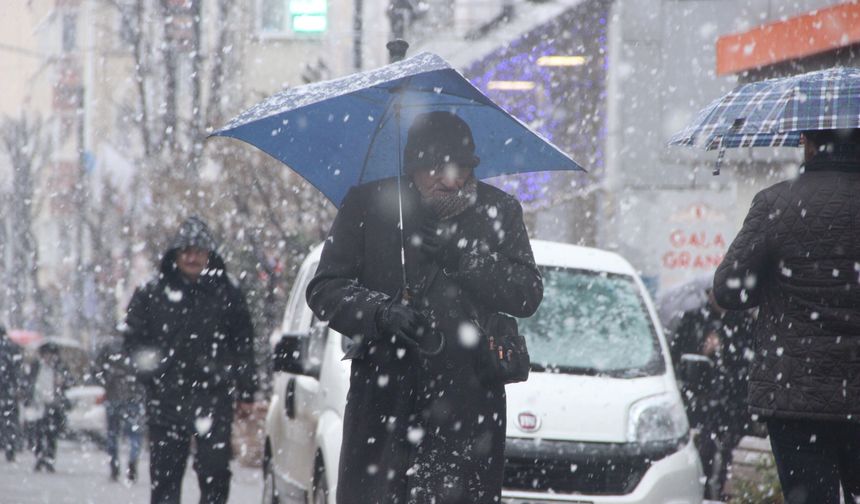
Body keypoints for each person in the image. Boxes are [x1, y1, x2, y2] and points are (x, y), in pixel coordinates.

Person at [306, 110, 544, 504]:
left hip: (469, 405)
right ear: (413, 167)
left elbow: (526, 292)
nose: (449, 179)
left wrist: (464, 258)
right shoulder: (368, 205)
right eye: (435, 168)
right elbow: (325, 290)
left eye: (459, 168)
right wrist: (381, 312)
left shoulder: (499, 211)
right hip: (384, 401)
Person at [714, 128, 860, 504]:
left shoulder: (776, 203)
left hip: (795, 393)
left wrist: (776, 284)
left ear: (809, 144)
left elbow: (728, 288)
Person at [124, 217, 257, 504]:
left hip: (213, 397)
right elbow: (133, 341)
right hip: (166, 399)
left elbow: (243, 344)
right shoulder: (152, 292)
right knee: (165, 479)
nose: (192, 257)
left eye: (198, 250)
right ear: (175, 254)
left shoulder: (227, 293)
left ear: (209, 254)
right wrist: (153, 375)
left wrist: (246, 391)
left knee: (216, 474)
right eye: (185, 251)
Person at [670, 290, 754, 500]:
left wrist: (724, 343)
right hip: (700, 401)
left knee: (728, 452)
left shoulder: (743, 322)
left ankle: (721, 490)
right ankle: (703, 490)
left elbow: (748, 360)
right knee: (703, 449)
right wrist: (702, 351)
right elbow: (679, 357)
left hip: (734, 402)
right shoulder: (693, 319)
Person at [94, 336, 145, 482]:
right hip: (133, 397)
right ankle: (132, 462)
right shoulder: (138, 346)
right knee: (134, 433)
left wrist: (106, 380)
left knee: (112, 434)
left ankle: (114, 467)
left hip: (114, 396)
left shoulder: (109, 349)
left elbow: (98, 370)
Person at [27, 342, 72, 472]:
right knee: (38, 434)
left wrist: (63, 382)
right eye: (46, 354)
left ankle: (49, 459)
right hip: (38, 405)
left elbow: (70, 383)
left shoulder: (59, 368)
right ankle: (40, 457)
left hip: (54, 405)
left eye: (51, 354)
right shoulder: (36, 367)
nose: (49, 357)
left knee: (52, 435)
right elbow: (29, 382)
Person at [0, 325, 22, 462]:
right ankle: (11, 447)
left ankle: (7, 443)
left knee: (4, 420)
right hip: (10, 391)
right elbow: (18, 371)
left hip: (4, 390)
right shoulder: (13, 347)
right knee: (11, 420)